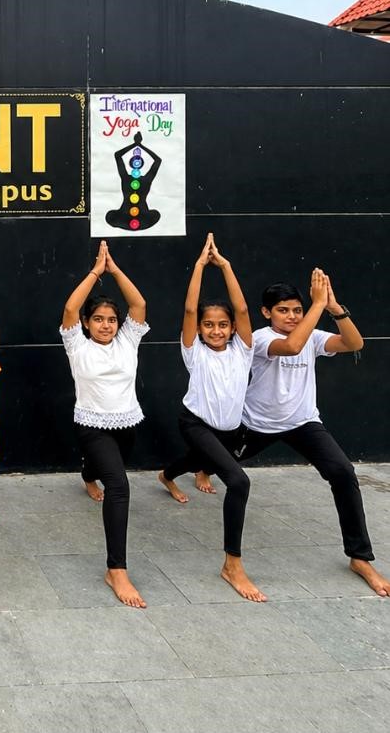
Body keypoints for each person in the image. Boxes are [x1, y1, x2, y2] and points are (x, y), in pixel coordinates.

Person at [237, 268, 390, 596]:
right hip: (256, 424)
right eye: (283, 310)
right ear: (266, 313)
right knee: (209, 459)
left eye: (297, 310)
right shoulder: (262, 338)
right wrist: (317, 305)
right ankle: (173, 473)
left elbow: (354, 343)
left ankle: (360, 557)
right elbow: (292, 347)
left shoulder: (313, 335)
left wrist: (334, 308)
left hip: (304, 422)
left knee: (344, 473)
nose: (292, 316)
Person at [157, 234, 265, 601]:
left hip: (231, 431)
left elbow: (244, 310)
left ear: (232, 328)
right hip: (196, 422)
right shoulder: (194, 352)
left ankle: (169, 475)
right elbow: (189, 310)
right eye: (209, 325)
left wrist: (228, 267)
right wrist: (201, 267)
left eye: (222, 324)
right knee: (238, 481)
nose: (216, 330)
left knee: (200, 461)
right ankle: (232, 564)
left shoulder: (243, 350)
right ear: (200, 329)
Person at [60, 240, 149, 608]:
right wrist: (96, 272)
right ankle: (117, 569)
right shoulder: (77, 345)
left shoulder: (128, 340)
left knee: (106, 470)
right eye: (98, 319)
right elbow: (69, 306)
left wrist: (115, 270)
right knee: (119, 486)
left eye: (111, 319)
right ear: (86, 323)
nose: (106, 325)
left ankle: (87, 473)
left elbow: (139, 305)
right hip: (92, 425)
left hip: (127, 422)